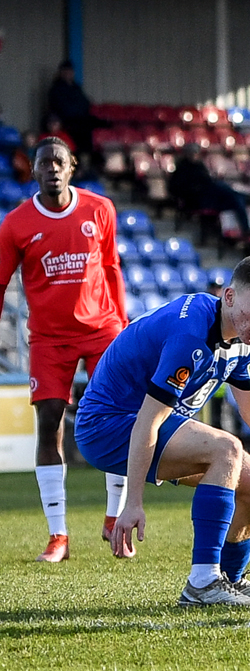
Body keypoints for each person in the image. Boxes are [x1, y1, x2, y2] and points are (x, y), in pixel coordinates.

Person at [74, 255, 250, 607]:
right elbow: (147, 420)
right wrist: (132, 502)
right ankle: (202, 583)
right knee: (226, 449)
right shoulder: (191, 335)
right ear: (229, 296)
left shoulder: (241, 335)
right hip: (108, 426)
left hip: (145, 423)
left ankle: (230, 579)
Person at [0, 136, 130, 562]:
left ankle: (114, 519)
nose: (52, 168)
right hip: (49, 338)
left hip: (102, 329)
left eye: (59, 161)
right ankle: (58, 536)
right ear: (33, 170)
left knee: (119, 417)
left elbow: (111, 268)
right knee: (49, 424)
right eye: (44, 162)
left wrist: (123, 325)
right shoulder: (15, 224)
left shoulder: (100, 209)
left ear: (72, 166)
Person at [168, 143, 250, 238]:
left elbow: (206, 180)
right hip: (197, 199)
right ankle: (246, 202)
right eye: (192, 152)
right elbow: (177, 189)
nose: (194, 155)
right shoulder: (182, 169)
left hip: (210, 196)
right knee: (231, 194)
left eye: (196, 152)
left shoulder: (199, 166)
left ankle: (244, 227)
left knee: (236, 199)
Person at [46, 60, 109, 171]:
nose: (68, 73)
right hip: (67, 120)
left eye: (70, 71)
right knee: (80, 131)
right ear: (61, 72)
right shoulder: (56, 89)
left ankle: (97, 160)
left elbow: (85, 104)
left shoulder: (76, 88)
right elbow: (62, 107)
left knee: (100, 123)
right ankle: (81, 163)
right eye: (65, 71)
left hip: (81, 119)